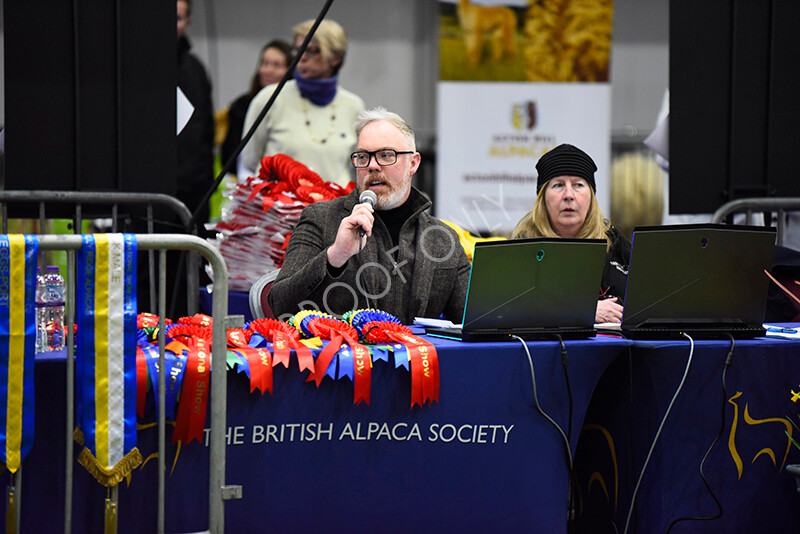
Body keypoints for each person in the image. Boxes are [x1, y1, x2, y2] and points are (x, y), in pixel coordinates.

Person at [268, 107, 470, 324]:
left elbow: (472, 322)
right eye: (363, 157)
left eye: (385, 155)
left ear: (413, 163)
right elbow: (279, 304)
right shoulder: (321, 219)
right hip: (343, 356)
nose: (372, 166)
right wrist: (335, 256)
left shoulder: (441, 238)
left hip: (420, 357)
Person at [511, 143, 631, 323]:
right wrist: (586, 311)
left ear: (591, 196)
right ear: (542, 198)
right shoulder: (524, 246)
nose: (569, 195)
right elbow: (511, 310)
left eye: (578, 185)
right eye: (558, 185)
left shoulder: (613, 242)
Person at [240, 19, 365, 186]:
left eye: (312, 50)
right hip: (279, 208)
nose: (302, 57)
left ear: (336, 57)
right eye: (298, 50)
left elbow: (355, 167)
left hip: (334, 208)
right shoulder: (270, 98)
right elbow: (249, 159)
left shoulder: (354, 106)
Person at [221, 40, 292, 168]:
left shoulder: (295, 107)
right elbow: (229, 155)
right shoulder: (241, 106)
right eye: (265, 63)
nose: (269, 70)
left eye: (277, 65)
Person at [177, 0, 214, 229]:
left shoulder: (195, 69)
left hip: (192, 190)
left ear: (188, 22)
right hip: (146, 192)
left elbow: (206, 131)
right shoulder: (136, 66)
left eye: (179, 18)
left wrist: (204, 183)